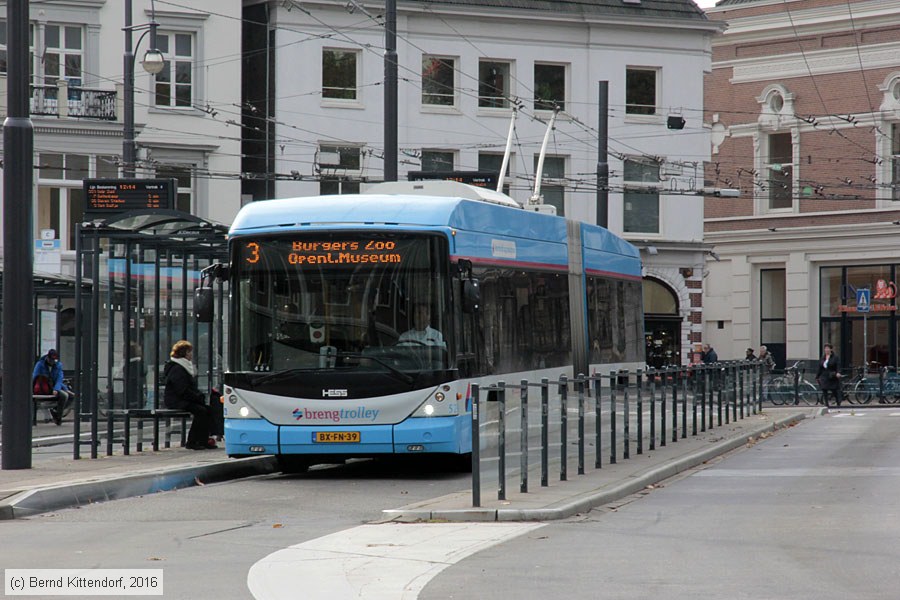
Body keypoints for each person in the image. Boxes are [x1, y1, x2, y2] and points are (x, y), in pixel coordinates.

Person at [164, 340, 216, 450]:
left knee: (208, 410)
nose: (191, 355)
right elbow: (182, 390)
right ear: (184, 353)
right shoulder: (178, 368)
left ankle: (203, 440)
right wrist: (197, 397)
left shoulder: (183, 367)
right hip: (177, 400)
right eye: (189, 352)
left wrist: (197, 396)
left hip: (183, 399)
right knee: (201, 411)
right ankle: (192, 441)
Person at [32, 348, 73, 426]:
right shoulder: (40, 364)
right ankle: (58, 417)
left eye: (54, 360)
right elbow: (35, 376)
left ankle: (56, 411)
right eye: (51, 359)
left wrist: (58, 389)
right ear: (48, 357)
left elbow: (59, 379)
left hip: (53, 387)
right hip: (44, 387)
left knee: (71, 396)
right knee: (64, 395)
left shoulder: (58, 365)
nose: (52, 361)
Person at [815, 342, 841, 406]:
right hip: (824, 375)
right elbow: (820, 367)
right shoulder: (823, 358)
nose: (826, 350)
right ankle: (826, 404)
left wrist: (838, 372)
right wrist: (817, 376)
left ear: (831, 349)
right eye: (825, 348)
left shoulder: (835, 357)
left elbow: (838, 365)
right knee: (824, 389)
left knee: (834, 390)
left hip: (832, 375)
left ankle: (838, 402)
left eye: (828, 348)